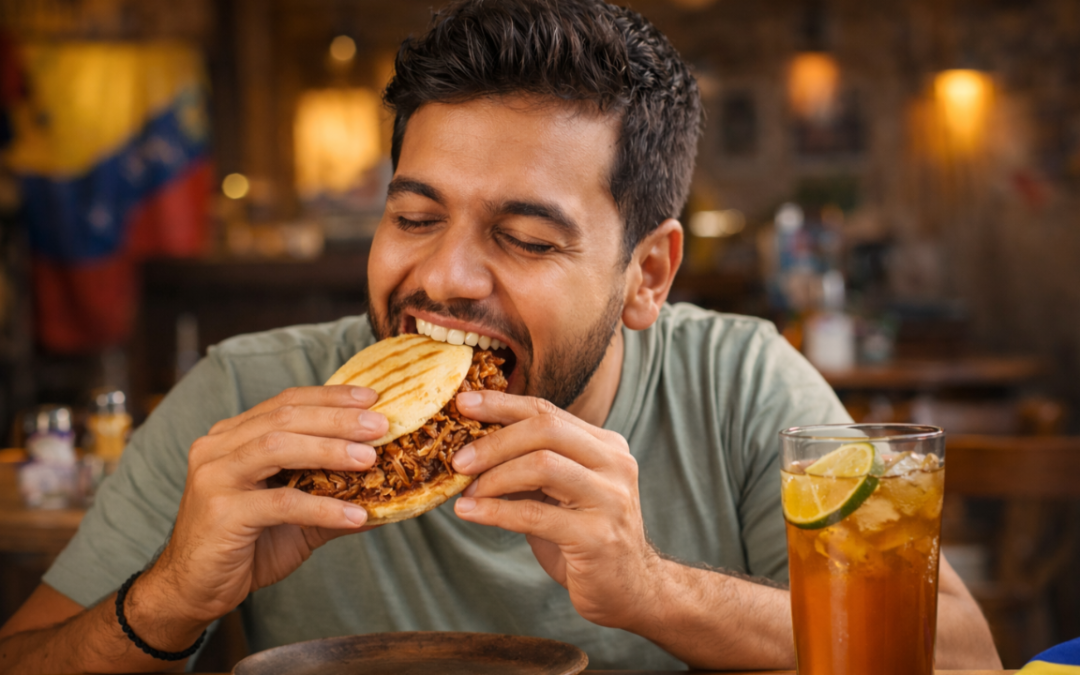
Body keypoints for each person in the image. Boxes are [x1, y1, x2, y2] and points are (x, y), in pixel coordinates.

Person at [0, 0, 1001, 671]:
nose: (442, 277)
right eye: (415, 215)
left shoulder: (741, 383)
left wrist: (653, 591)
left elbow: (961, 655)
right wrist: (170, 596)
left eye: (522, 238)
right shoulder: (247, 399)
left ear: (646, 274)